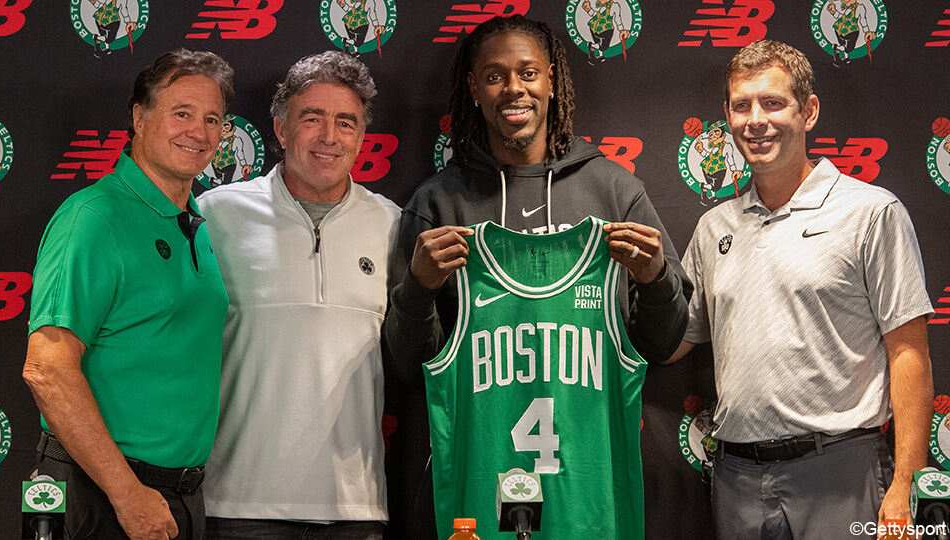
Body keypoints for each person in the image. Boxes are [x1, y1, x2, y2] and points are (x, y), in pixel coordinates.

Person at [382, 14, 691, 537]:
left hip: (588, 501)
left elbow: (662, 344)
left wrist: (656, 278)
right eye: (495, 75)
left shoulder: (615, 193)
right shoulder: (437, 203)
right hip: (479, 495)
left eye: (528, 72)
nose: (513, 89)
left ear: (552, 80)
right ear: (474, 88)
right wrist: (418, 290)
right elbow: (409, 365)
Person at [668, 39, 933, 538]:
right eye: (742, 105)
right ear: (727, 115)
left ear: (808, 111)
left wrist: (906, 483)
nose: (756, 119)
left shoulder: (870, 212)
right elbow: (676, 340)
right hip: (735, 478)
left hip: (841, 471)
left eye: (773, 103)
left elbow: (909, 351)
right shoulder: (712, 228)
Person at [23, 49, 234, 540]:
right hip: (99, 494)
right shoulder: (94, 218)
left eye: (213, 119)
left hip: (174, 497)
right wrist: (126, 494)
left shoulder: (194, 223)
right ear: (139, 117)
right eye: (181, 113)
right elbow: (46, 368)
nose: (198, 132)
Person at [198, 51, 398, 540]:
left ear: (361, 139)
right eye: (312, 119)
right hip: (238, 504)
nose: (329, 136)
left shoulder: (392, 223)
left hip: (355, 510)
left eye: (345, 123)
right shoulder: (215, 216)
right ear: (281, 130)